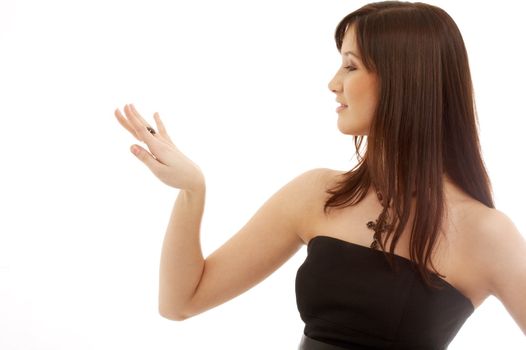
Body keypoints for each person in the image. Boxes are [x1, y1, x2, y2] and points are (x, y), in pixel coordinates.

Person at [113, 1, 526, 348]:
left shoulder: (487, 234)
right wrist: (192, 191)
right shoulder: (318, 194)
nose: (333, 83)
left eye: (350, 66)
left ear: (404, 81)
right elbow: (181, 301)